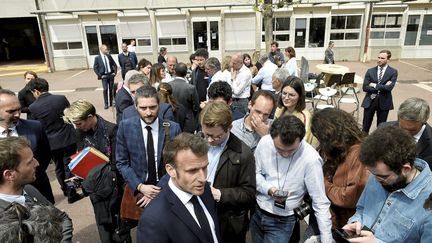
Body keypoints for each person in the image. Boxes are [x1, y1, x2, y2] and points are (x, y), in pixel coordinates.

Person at [251, 115, 332, 243]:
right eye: (279, 149)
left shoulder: (311, 159)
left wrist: (326, 239)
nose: (285, 154)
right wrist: (269, 189)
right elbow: (254, 174)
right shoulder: (265, 143)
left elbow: (320, 201)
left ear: (301, 139)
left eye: (292, 150)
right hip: (258, 211)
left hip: (283, 221)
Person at [343, 126, 432, 242]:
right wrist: (356, 222)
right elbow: (362, 209)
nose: (375, 180)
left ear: (405, 169)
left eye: (383, 177)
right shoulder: (378, 173)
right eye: (372, 173)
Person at [63, 99, 129, 243]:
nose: (77, 127)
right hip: (94, 187)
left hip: (113, 186)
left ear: (90, 117)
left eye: (79, 123)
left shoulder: (111, 129)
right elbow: (81, 155)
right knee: (103, 225)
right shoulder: (79, 132)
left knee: (119, 227)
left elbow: (118, 160)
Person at [137, 133, 221, 243]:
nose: (203, 178)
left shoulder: (204, 190)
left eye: (204, 168)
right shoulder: (153, 219)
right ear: (171, 170)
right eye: (192, 171)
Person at [116, 85, 181, 211]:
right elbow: (122, 162)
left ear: (159, 105)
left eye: (152, 107)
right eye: (143, 108)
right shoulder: (125, 127)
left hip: (167, 188)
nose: (148, 113)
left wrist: (156, 191)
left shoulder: (173, 128)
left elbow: (177, 163)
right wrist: (140, 186)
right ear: (135, 107)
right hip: (139, 190)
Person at [200, 102, 256, 243]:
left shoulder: (243, 153)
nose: (210, 140)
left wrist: (219, 194)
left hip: (228, 224)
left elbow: (248, 193)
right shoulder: (197, 144)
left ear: (229, 128)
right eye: (206, 134)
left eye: (217, 136)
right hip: (200, 214)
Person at [0, 136, 73, 242]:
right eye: (30, 162)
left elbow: (62, 218)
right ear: (9, 175)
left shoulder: (29, 190)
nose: (37, 163)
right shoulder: (3, 220)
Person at [311, 108, 369, 228]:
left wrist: (322, 184)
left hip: (347, 224)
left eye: (320, 138)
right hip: (330, 216)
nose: (320, 142)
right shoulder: (338, 151)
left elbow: (349, 197)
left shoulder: (358, 154)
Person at [28, 78, 82, 204]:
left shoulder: (33, 107)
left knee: (58, 167)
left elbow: (33, 125)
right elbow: (70, 115)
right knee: (69, 165)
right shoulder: (61, 99)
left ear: (36, 91)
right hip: (68, 138)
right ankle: (71, 192)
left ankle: (65, 189)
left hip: (50, 143)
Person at [0, 89, 54, 203]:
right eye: (11, 111)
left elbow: (45, 155)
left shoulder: (35, 127)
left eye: (19, 109)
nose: (17, 114)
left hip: (38, 189)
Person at [380, 97, 432, 168]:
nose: (406, 134)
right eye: (402, 128)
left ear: (424, 121)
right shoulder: (383, 129)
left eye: (412, 130)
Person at [361, 49, 398, 133]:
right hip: (370, 100)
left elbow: (389, 88)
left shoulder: (393, 72)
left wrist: (374, 85)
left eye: (382, 58)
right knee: (365, 127)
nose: (379, 60)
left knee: (381, 128)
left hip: (384, 101)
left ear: (388, 59)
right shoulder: (370, 71)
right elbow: (365, 87)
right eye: (378, 57)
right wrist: (383, 86)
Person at [274, 76, 316, 146]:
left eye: (291, 95)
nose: (286, 98)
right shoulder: (280, 109)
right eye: (284, 93)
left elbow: (304, 142)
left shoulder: (304, 116)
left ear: (299, 97)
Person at [169, 62, 200, 133]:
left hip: (172, 119)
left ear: (174, 72)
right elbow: (196, 107)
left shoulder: (168, 85)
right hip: (188, 121)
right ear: (186, 73)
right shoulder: (191, 88)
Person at [93, 44, 117, 109]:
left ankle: (111, 102)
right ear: (101, 50)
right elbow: (95, 68)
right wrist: (100, 75)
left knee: (111, 89)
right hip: (104, 76)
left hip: (110, 75)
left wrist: (114, 73)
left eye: (107, 49)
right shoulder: (97, 58)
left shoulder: (109, 56)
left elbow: (114, 64)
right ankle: (106, 104)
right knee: (105, 89)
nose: (107, 50)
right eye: (105, 49)